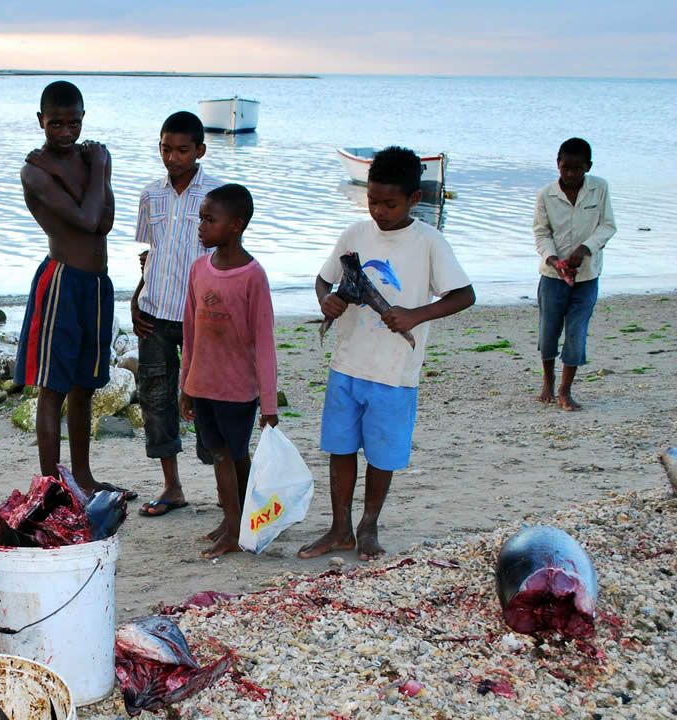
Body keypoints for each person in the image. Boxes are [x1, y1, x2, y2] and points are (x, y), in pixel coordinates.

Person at [297, 146, 475, 561]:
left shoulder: (428, 241)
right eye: (372, 201)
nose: (378, 210)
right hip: (347, 364)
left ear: (414, 199)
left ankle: (368, 526)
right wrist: (328, 301)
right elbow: (324, 281)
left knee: (381, 454)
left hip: (394, 373)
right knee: (340, 449)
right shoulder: (355, 234)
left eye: (389, 204)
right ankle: (340, 527)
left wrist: (417, 314)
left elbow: (464, 294)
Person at [15, 80, 135, 500]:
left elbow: (104, 223)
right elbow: (86, 219)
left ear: (84, 118)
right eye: (56, 124)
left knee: (86, 384)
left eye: (74, 123)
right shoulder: (35, 171)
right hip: (62, 282)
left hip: (97, 284)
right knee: (53, 388)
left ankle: (83, 477)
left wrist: (100, 169)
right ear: (40, 122)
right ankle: (52, 485)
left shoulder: (92, 159)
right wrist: (100, 169)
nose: (66, 132)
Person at [176, 184, 279, 558]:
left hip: (237, 390)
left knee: (231, 454)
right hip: (203, 383)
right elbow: (190, 330)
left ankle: (238, 525)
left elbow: (265, 342)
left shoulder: (253, 276)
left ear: (236, 225)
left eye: (209, 220)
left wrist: (269, 403)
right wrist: (185, 383)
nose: (201, 227)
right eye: (200, 218)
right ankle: (234, 518)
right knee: (221, 452)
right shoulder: (198, 269)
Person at [132, 111, 224, 517]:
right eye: (166, 149)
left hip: (202, 317)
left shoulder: (218, 196)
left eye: (182, 150)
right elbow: (149, 254)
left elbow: (226, 260)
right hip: (154, 314)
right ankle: (172, 487)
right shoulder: (151, 195)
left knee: (209, 399)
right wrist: (136, 298)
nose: (172, 157)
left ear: (200, 150)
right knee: (156, 398)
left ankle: (227, 486)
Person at [533, 137, 616, 411]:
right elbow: (541, 233)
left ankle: (565, 391)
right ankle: (548, 380)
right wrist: (556, 261)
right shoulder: (546, 194)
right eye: (565, 167)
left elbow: (607, 226)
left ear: (588, 167)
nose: (570, 174)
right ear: (558, 164)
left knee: (576, 333)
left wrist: (584, 250)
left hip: (587, 276)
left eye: (576, 169)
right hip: (553, 276)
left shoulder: (599, 188)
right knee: (548, 333)